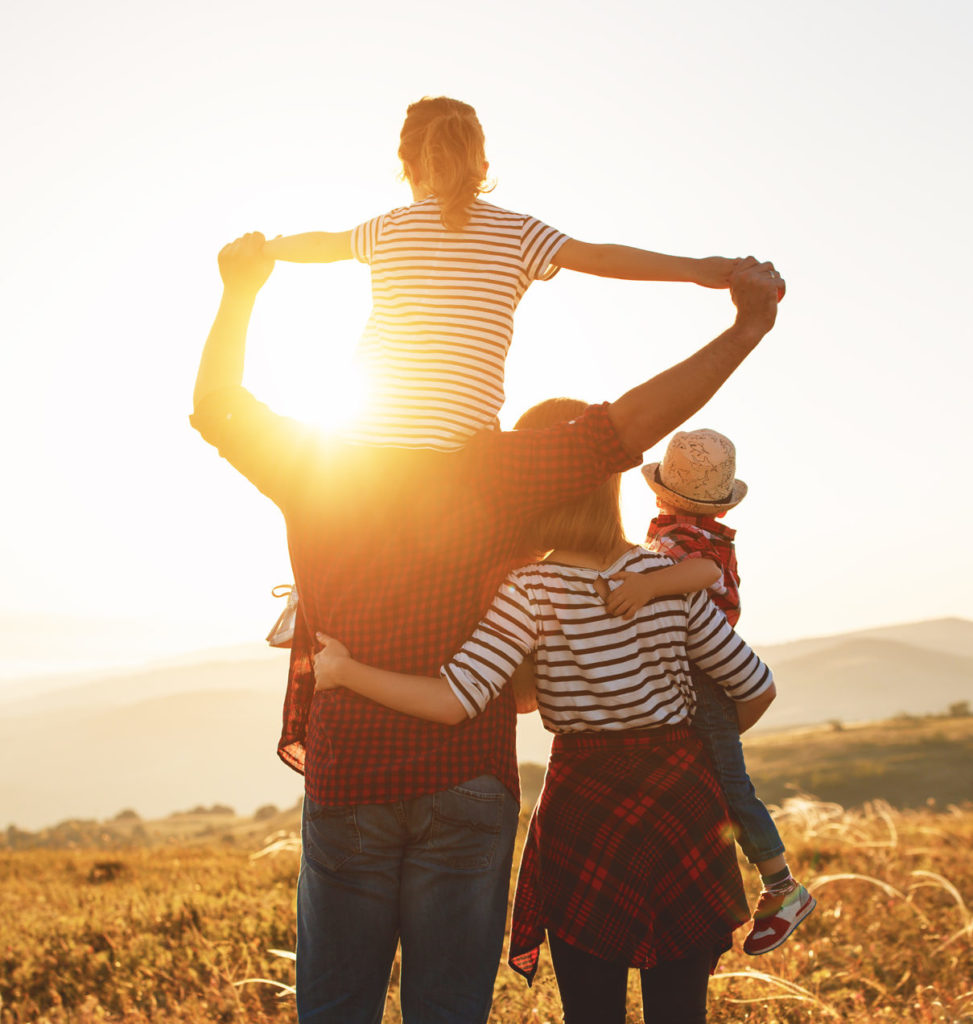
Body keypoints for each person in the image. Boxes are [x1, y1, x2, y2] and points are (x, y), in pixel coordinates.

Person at [191, 231, 783, 1023]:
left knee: (335, 1008)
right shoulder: (506, 474)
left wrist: (241, 288)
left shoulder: (317, 461)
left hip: (353, 770)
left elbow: (217, 406)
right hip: (474, 780)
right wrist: (744, 326)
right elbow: (628, 427)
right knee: (450, 1010)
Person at [312, 399, 779, 1023]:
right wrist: (684, 750)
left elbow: (457, 700)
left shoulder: (531, 589)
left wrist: (344, 671)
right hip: (682, 803)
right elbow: (756, 687)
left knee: (591, 1010)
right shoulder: (670, 576)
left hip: (585, 808)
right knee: (680, 1010)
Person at [264, 95, 747, 452]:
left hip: (363, 440)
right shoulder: (518, 232)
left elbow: (322, 244)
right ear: (483, 166)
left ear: (407, 167)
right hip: (461, 446)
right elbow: (601, 258)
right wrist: (697, 269)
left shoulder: (388, 228)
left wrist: (265, 249)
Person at [606, 429, 816, 954]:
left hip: (704, 671)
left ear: (661, 491)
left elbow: (701, 573)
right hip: (697, 672)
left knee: (728, 783)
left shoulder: (689, 539)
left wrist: (647, 586)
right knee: (709, 781)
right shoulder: (686, 530)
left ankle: (782, 886)